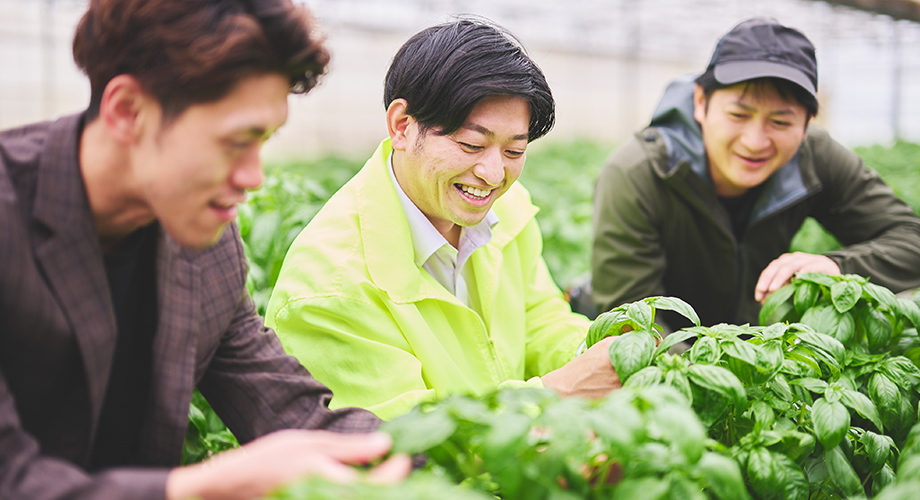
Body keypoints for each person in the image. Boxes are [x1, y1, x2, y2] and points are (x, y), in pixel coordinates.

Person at [0, 1, 412, 499]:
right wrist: (201, 487)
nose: (253, 177)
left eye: (263, 141)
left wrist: (449, 451)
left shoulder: (203, 244)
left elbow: (288, 410)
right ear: (128, 111)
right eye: (235, 141)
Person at [265, 18, 621, 421]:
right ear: (402, 126)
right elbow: (403, 444)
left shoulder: (507, 209)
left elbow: (538, 318)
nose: (492, 174)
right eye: (471, 144)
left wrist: (597, 355)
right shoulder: (327, 291)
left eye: (513, 151)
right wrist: (558, 393)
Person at [591, 17, 920, 330]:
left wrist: (838, 268)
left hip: (754, 351)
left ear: (807, 125)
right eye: (738, 114)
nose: (754, 141)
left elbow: (912, 240)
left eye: (780, 122)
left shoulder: (816, 157)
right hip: (676, 361)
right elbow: (629, 319)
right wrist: (716, 380)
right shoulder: (639, 173)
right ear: (700, 103)